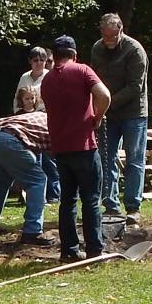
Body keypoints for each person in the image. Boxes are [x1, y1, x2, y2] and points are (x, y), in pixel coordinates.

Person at [39, 35, 110, 261]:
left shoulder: (47, 80)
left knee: (67, 200)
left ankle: (69, 250)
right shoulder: (82, 70)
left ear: (54, 55)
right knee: (91, 199)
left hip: (60, 147)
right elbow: (104, 95)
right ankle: (94, 249)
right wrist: (98, 117)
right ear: (74, 54)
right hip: (84, 145)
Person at [91, 13, 149, 222]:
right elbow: (94, 80)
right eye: (105, 36)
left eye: (112, 36)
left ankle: (133, 207)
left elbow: (135, 87)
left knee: (134, 160)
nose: (108, 41)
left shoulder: (135, 50)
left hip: (133, 113)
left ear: (121, 30)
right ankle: (111, 205)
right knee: (106, 159)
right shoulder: (97, 49)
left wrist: (106, 102)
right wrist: (97, 107)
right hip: (108, 113)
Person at [0, 106, 54, 244]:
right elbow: (60, 157)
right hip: (8, 139)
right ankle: (33, 231)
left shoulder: (39, 117)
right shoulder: (56, 127)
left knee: (1, 182)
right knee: (38, 180)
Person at [14, 46, 59, 205]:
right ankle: (30, 193)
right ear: (30, 61)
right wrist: (18, 116)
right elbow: (17, 98)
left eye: (42, 60)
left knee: (49, 157)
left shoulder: (50, 75)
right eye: (35, 60)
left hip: (46, 119)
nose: (39, 63)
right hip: (27, 120)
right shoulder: (24, 77)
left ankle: (53, 193)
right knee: (31, 158)